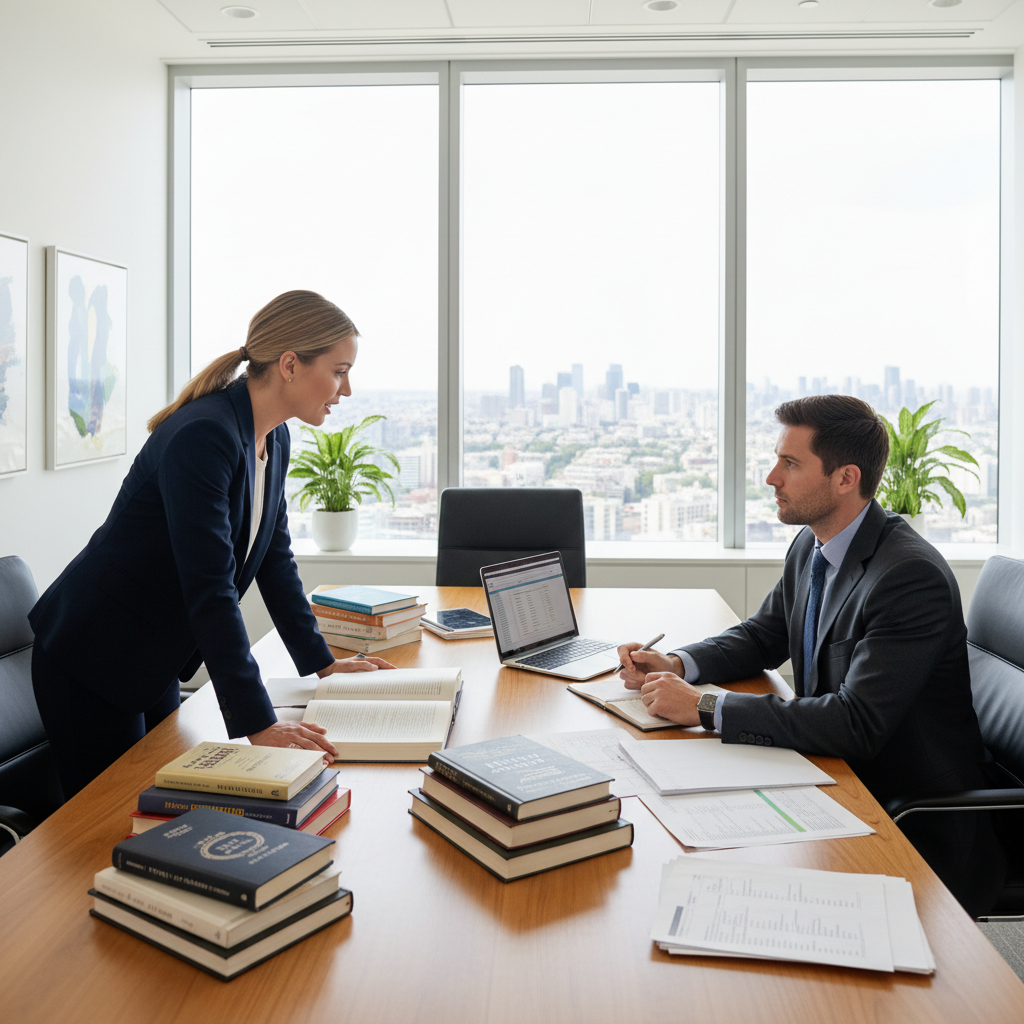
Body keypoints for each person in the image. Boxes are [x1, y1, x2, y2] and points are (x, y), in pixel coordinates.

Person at [617, 394, 1006, 916]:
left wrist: (705, 708)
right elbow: (764, 634)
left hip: (907, 816)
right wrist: (680, 664)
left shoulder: (907, 578)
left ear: (846, 478)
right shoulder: (813, 543)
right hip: (832, 776)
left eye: (790, 463)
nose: (772, 477)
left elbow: (857, 722)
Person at [30, 290, 394, 800]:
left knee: (162, 805)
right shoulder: (205, 435)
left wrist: (321, 660)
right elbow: (211, 586)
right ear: (290, 364)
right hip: (92, 655)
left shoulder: (273, 436)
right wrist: (257, 724)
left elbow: (274, 557)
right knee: (107, 821)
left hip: (150, 656)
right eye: (339, 370)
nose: (346, 388)